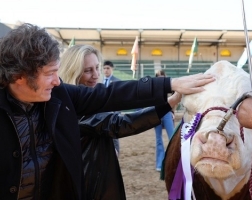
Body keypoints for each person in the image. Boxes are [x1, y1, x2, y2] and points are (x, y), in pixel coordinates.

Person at [0, 23, 215, 200]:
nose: (57, 81)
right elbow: (117, 123)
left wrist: (170, 84)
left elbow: (110, 94)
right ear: (20, 75)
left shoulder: (59, 96)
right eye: (49, 74)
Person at [58, 44, 181, 199]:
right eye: (88, 70)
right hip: (89, 188)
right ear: (73, 72)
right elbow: (119, 123)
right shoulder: (73, 108)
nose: (96, 75)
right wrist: (168, 104)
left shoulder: (88, 100)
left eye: (97, 68)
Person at [153, 70, 176, 171]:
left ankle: (173, 161)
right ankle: (159, 163)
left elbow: (174, 99)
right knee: (158, 139)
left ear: (164, 76)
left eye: (162, 76)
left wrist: (172, 112)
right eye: (158, 76)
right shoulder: (153, 88)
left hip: (166, 114)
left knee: (172, 137)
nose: (160, 77)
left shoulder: (169, 87)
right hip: (156, 114)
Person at [102, 60, 121, 156]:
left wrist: (116, 113)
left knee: (114, 135)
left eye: (108, 68)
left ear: (112, 69)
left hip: (113, 113)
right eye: (104, 68)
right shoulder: (98, 81)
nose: (106, 70)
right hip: (101, 113)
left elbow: (120, 99)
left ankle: (116, 154)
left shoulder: (117, 82)